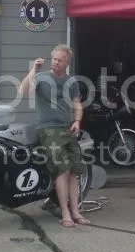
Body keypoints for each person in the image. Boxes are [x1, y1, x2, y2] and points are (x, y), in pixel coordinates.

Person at [18, 44, 89, 227]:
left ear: (67, 63)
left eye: (60, 60)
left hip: (68, 128)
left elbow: (77, 105)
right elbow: (22, 91)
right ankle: (64, 212)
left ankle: (75, 211)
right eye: (54, 59)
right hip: (48, 129)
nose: (56, 63)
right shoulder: (41, 77)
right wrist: (34, 68)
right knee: (62, 169)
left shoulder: (71, 81)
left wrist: (77, 122)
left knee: (74, 171)